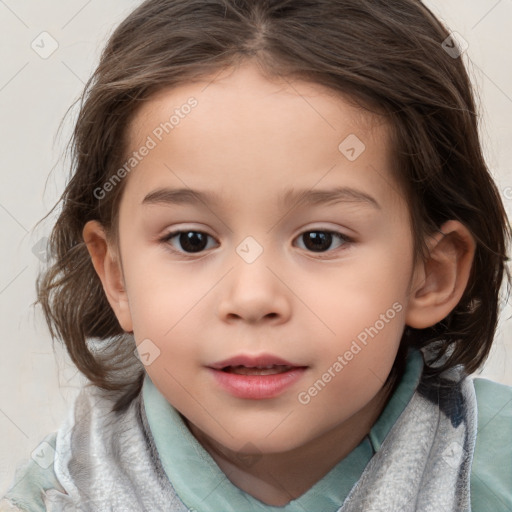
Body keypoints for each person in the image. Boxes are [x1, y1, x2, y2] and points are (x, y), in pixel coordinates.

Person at [1, 0, 511, 510]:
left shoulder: (494, 470)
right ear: (117, 277)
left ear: (431, 275)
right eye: (191, 240)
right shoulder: (59, 495)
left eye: (319, 239)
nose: (251, 298)